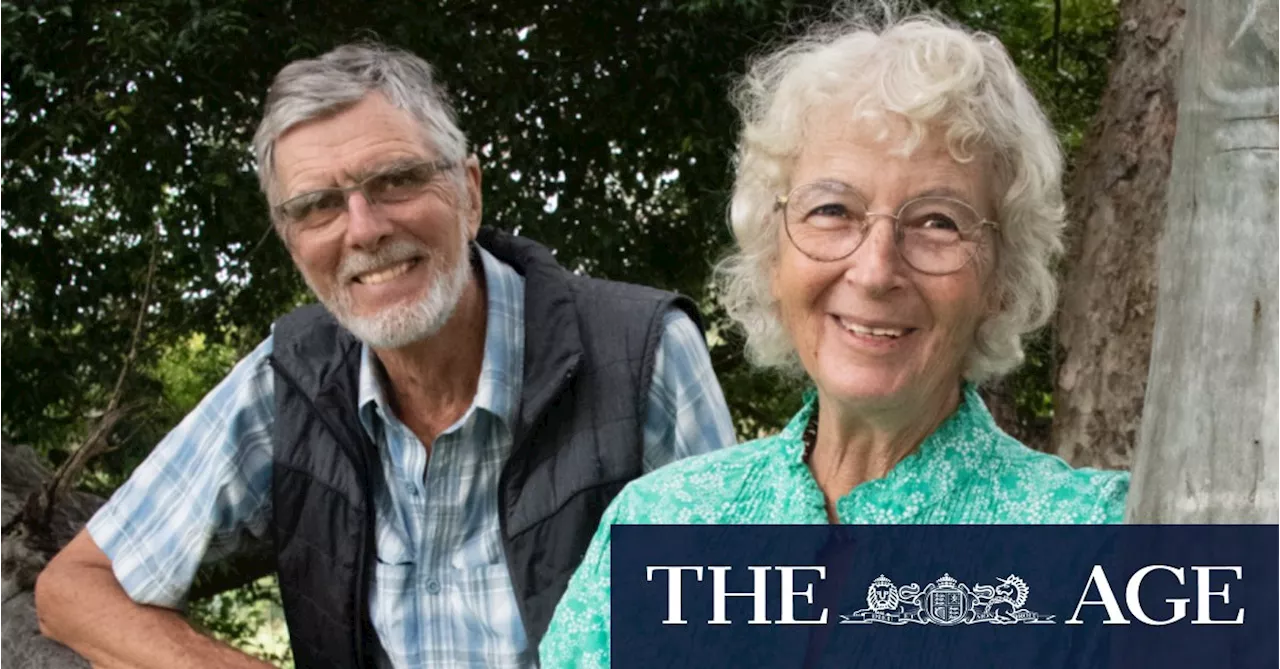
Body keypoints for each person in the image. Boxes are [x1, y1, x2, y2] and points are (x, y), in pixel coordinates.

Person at [34, 43, 735, 669]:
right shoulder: (288, 380)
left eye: (396, 180)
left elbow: (747, 629)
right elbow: (75, 588)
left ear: (469, 192)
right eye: (318, 206)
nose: (363, 229)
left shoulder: (641, 353)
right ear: (291, 240)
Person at [538, 9, 1129, 666]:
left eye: (937, 221)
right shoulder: (660, 520)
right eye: (832, 210)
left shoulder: (1099, 540)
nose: (875, 270)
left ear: (1000, 276)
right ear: (772, 252)